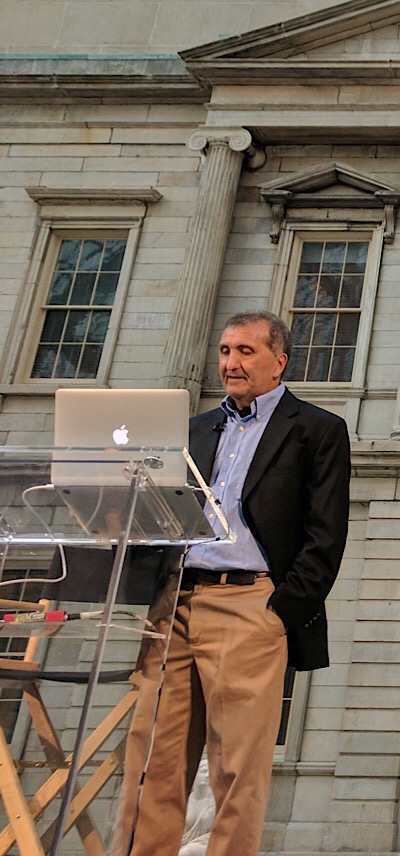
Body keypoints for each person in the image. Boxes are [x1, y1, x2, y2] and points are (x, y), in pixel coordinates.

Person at [120, 310, 351, 856]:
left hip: (250, 604)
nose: (231, 363)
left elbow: (326, 535)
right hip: (175, 601)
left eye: (246, 352)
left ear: (279, 361)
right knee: (151, 764)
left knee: (236, 772)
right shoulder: (194, 429)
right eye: (225, 351)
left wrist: (279, 609)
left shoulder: (317, 430)